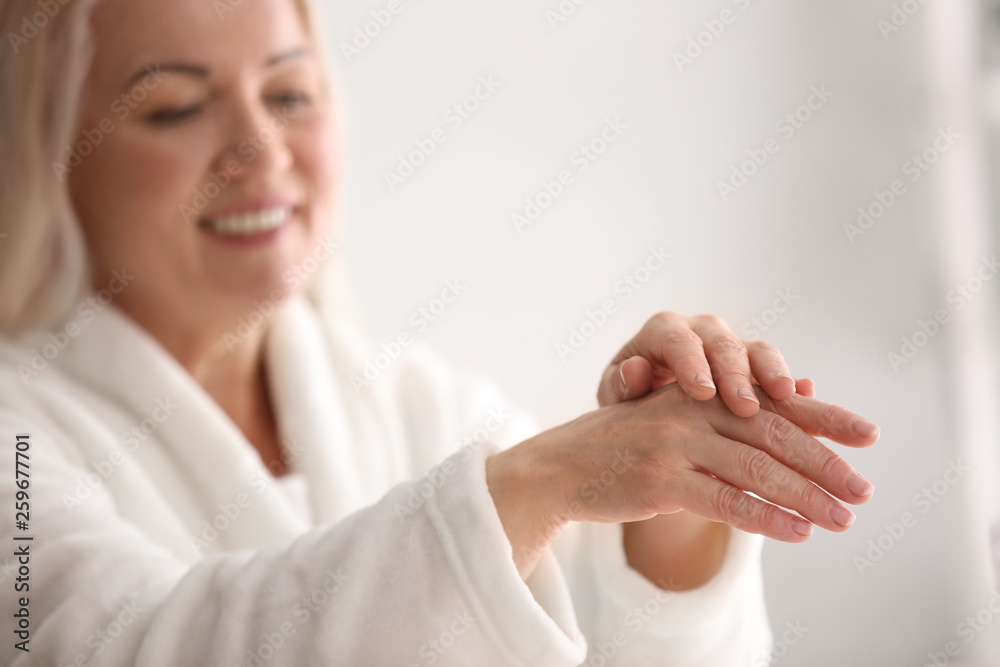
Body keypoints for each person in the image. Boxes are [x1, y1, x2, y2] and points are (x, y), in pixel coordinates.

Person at [0, 0, 880, 664]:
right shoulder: (20, 441)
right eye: (176, 109)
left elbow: (610, 641)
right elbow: (123, 643)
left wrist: (676, 506)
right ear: (47, 152)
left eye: (290, 92)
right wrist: (551, 478)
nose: (262, 149)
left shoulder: (413, 402)